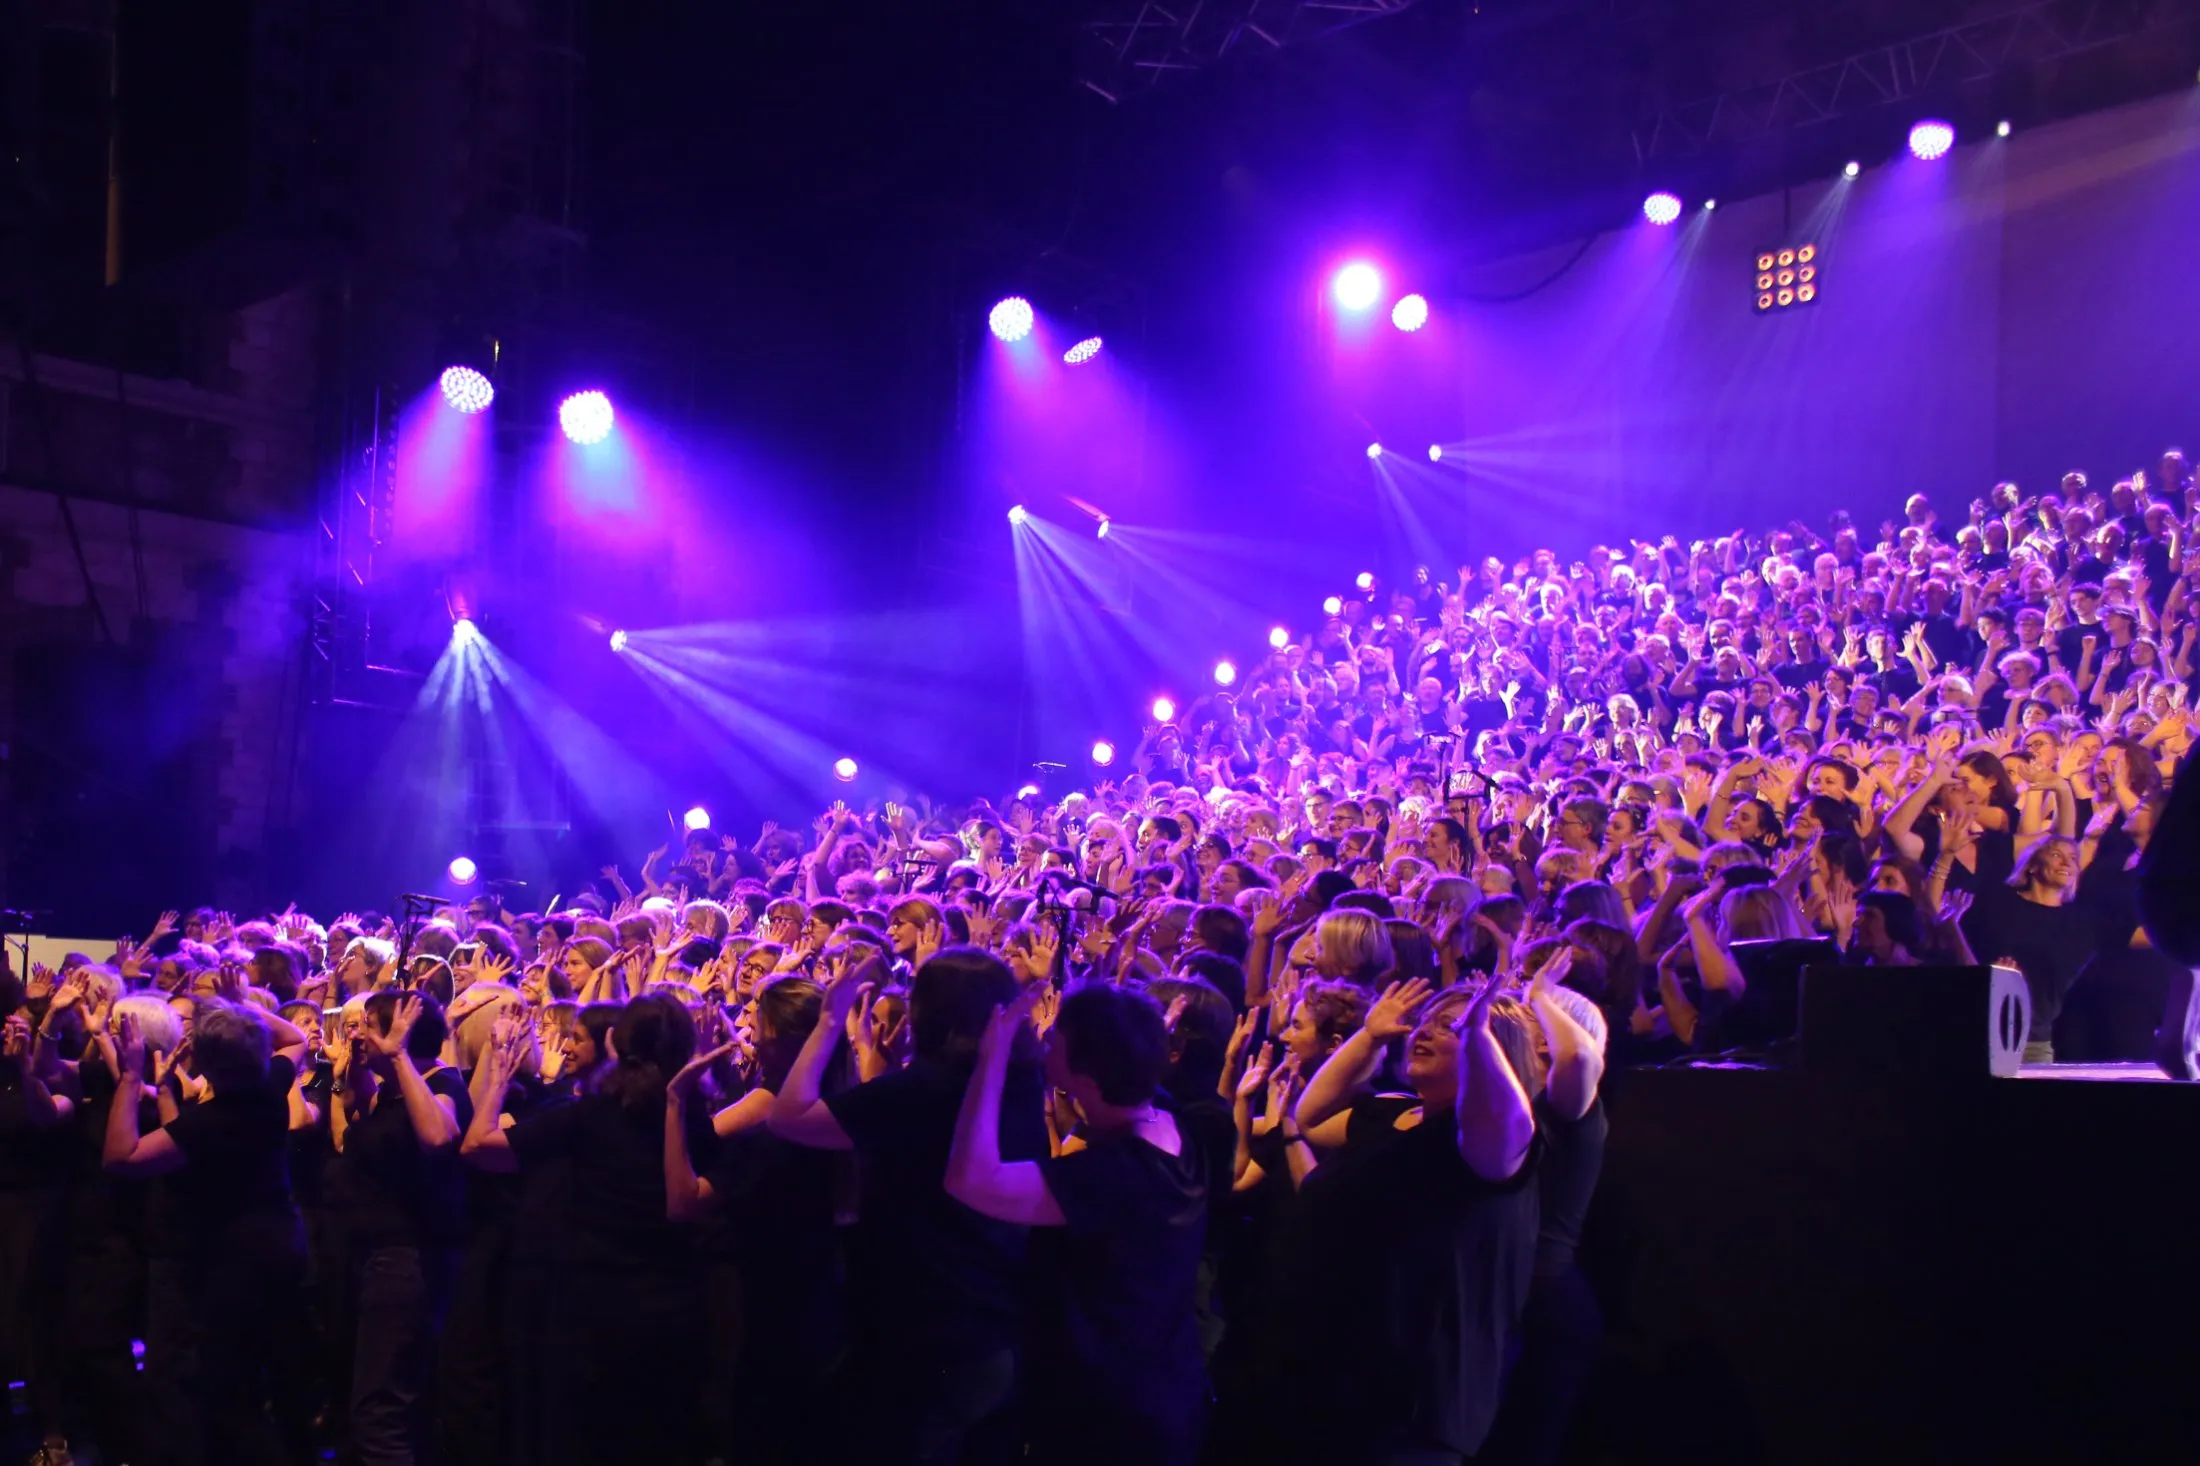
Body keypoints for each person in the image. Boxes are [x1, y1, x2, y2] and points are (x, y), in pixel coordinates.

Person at [769, 947, 1048, 1465]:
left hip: (923, 1330)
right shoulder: (1025, 1082)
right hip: (999, 1322)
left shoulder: (918, 1091)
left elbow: (789, 1118)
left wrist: (831, 1021)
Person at [946, 981, 1210, 1466]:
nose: (1045, 1040)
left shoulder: (1114, 1176)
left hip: (1108, 1415)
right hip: (1163, 1387)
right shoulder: (1169, 1126)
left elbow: (970, 1179)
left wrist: (992, 1060)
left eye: (1056, 1040)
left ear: (1088, 1076)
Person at [103, 1000, 317, 1466]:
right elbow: (296, 1039)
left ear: (201, 1061)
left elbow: (120, 1156)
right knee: (275, 1379)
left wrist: (128, 1077)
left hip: (229, 1266)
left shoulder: (209, 1122)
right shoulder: (269, 1091)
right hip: (281, 1249)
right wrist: (239, 1003)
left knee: (226, 1391)